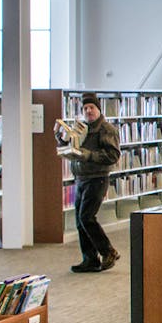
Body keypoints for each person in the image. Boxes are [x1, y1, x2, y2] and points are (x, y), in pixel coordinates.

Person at [62, 94, 121, 273]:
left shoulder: (106, 129)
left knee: (87, 217)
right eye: (85, 108)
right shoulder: (82, 129)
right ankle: (90, 259)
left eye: (91, 108)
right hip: (81, 177)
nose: (88, 111)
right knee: (80, 220)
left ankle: (108, 251)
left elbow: (113, 155)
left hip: (98, 177)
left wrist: (87, 155)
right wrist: (64, 142)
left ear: (98, 109)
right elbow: (76, 148)